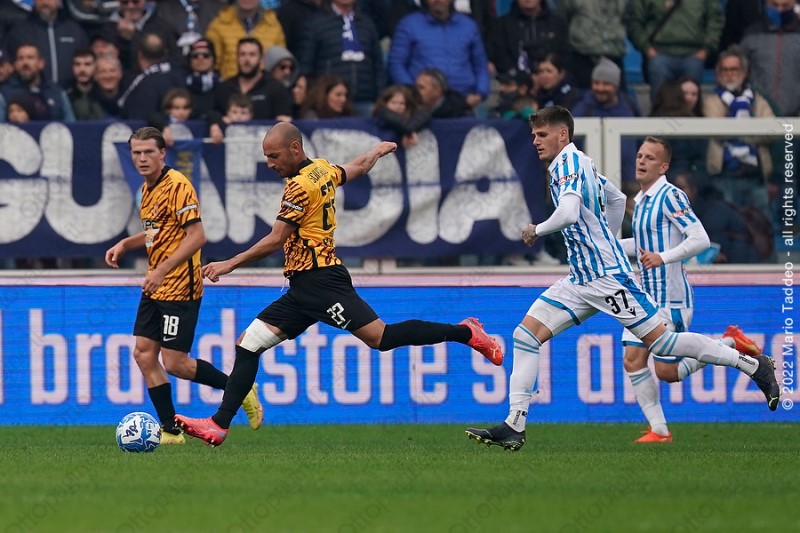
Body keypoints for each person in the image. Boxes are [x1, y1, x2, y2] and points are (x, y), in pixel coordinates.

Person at [464, 106, 779, 451]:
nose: (535, 141)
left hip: (607, 278)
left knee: (664, 346)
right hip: (581, 279)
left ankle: (752, 365)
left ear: (562, 135)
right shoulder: (580, 163)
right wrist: (607, 239)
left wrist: (536, 230)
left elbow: (568, 213)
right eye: (534, 135)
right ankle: (515, 424)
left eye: (542, 135)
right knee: (525, 335)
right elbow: (616, 198)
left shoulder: (568, 164)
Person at [174, 122, 503, 446]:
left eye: (274, 156)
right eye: (266, 157)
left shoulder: (299, 187)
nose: (270, 164)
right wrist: (375, 151)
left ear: (295, 148)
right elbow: (357, 167)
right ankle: (219, 425)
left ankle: (466, 332)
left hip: (322, 283)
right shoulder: (321, 169)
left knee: (381, 338)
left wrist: (229, 263)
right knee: (248, 344)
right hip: (302, 288)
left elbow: (275, 239)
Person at [105, 126, 264, 444]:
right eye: (136, 153)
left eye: (148, 152)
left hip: (179, 286)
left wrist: (162, 269)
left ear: (162, 153)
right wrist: (126, 243)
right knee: (143, 355)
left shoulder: (178, 185)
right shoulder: (147, 189)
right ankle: (170, 430)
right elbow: (158, 232)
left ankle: (240, 388)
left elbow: (197, 236)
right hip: (156, 285)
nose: (142, 158)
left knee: (175, 363)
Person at [620, 136, 763, 443]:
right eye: (640, 155)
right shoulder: (641, 200)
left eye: (649, 158)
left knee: (668, 373)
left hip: (671, 297)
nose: (641, 161)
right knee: (632, 359)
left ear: (663, 167)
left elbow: (700, 239)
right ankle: (659, 431)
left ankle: (730, 342)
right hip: (646, 297)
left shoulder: (670, 195)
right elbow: (644, 245)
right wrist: (608, 249)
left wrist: (663, 257)